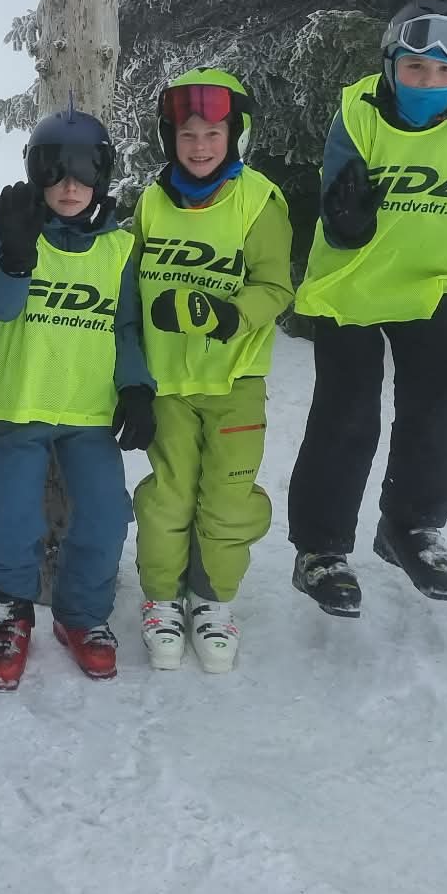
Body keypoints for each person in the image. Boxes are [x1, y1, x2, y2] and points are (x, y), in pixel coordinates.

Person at [286, 0, 447, 616]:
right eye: (414, 67)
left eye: (444, 71)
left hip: (429, 288)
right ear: (390, 66)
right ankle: (321, 550)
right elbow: (336, 198)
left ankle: (410, 526)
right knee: (348, 415)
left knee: (441, 410)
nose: (427, 82)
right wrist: (345, 222)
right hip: (350, 287)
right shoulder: (359, 112)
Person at [0, 106, 153, 690]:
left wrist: (136, 388)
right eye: (55, 173)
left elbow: (127, 326)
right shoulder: (19, 232)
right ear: (37, 174)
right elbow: (0, 307)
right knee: (11, 517)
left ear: (102, 176)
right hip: (21, 404)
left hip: (88, 412)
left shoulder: (119, 249)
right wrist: (15, 254)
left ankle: (82, 615)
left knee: (105, 515)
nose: (69, 187)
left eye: (83, 173)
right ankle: (11, 614)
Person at [131, 69, 292, 672]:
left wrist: (228, 315)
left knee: (226, 500)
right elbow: (128, 280)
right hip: (168, 382)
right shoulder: (151, 201)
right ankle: (162, 601)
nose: (199, 147)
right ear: (169, 138)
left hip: (234, 381)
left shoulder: (260, 200)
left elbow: (276, 286)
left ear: (235, 135)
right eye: (187, 134)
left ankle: (212, 602)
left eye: (213, 134)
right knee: (168, 500)